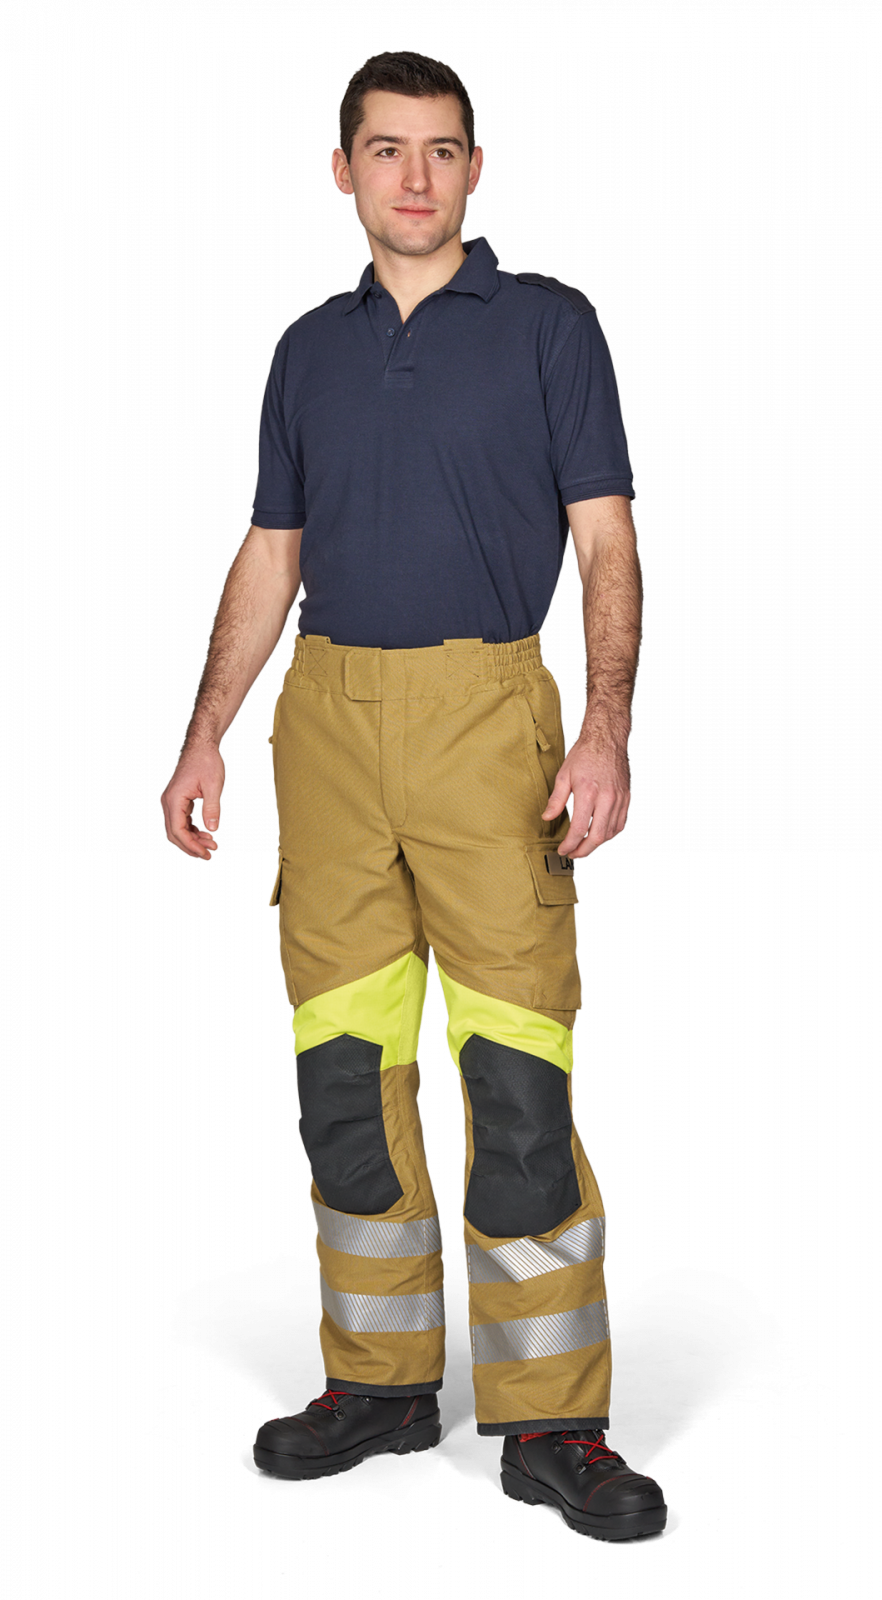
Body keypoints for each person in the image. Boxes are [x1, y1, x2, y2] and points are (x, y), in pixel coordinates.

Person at [158, 50, 666, 1540]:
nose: (416, 176)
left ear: (476, 167)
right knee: (341, 1075)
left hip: (486, 718)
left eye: (441, 149)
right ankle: (376, 1385)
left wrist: (607, 726)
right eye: (386, 150)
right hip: (321, 729)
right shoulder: (304, 350)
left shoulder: (551, 326)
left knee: (515, 1075)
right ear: (343, 172)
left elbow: (608, 541)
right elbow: (269, 554)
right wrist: (203, 733)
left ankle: (553, 1420)